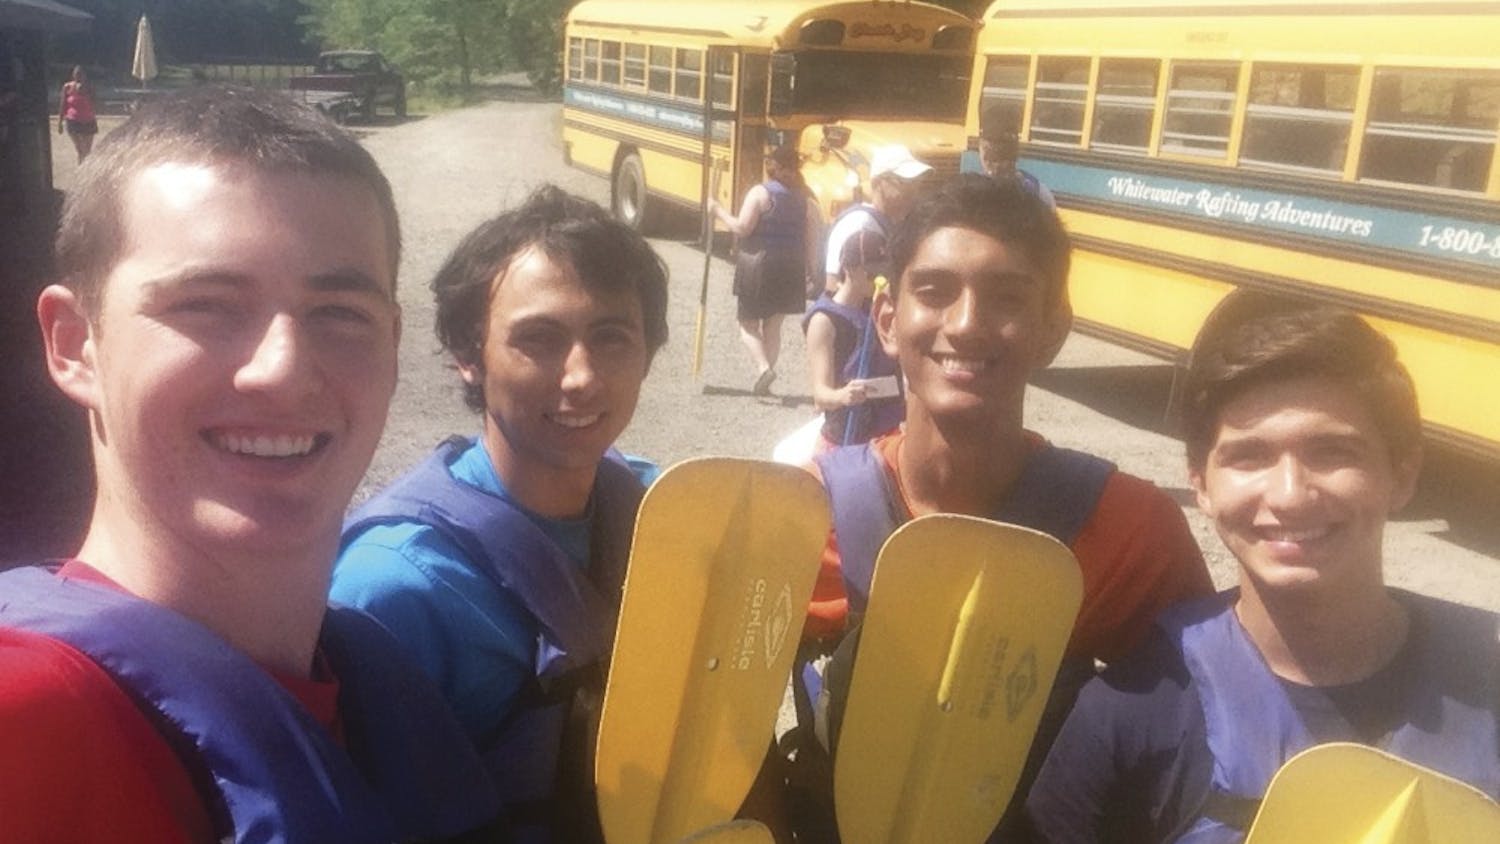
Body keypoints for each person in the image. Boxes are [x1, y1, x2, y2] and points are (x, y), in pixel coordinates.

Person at [1, 87, 502, 841]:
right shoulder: (28, 721)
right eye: (205, 304)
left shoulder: (373, 691)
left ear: (393, 347)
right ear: (75, 345)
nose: (282, 369)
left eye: (339, 313)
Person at [786, 174, 1213, 840]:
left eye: (1007, 298)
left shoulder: (1134, 530)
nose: (966, 324)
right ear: (888, 321)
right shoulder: (809, 515)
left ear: (1054, 329)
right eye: (934, 292)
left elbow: (1195, 734)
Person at [1025, 293, 1500, 843]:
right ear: (1201, 484)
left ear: (1402, 474)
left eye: (1332, 452)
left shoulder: (1486, 674)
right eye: (1249, 456)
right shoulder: (1135, 711)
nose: (1291, 495)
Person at [331, 184, 670, 843]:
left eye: (612, 338)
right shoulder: (398, 586)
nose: (581, 377)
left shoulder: (662, 517)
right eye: (538, 340)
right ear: (468, 357)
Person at [710, 145, 820, 395]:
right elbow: (811, 240)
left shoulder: (760, 193)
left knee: (747, 324)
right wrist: (812, 271)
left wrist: (717, 211)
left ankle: (763, 369)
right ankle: (766, 381)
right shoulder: (807, 201)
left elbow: (742, 228)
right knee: (773, 326)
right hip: (791, 266)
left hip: (759, 264)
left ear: (775, 167)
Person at [801, 227, 902, 450]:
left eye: (883, 271)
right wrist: (843, 395)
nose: (880, 278)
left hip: (887, 434)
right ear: (848, 268)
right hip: (845, 437)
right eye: (871, 272)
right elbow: (820, 395)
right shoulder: (824, 320)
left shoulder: (880, 310)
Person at [821, 143, 930, 298]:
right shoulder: (860, 224)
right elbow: (832, 283)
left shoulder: (893, 224)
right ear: (877, 183)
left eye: (916, 183)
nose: (913, 191)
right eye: (903, 183)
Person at [979, 122, 1056, 210]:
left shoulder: (1038, 193)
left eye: (1003, 157)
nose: (996, 167)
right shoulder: (1039, 192)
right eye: (992, 159)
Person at [57, 65, 97, 163]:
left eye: (81, 74)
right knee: (80, 150)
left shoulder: (90, 87)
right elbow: (62, 105)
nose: (79, 76)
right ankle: (81, 169)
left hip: (88, 121)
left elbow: (96, 104)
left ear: (85, 76)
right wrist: (60, 122)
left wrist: (85, 92)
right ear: (73, 75)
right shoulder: (67, 87)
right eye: (76, 74)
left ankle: (85, 170)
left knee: (87, 151)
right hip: (73, 121)